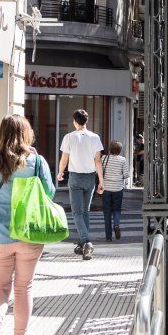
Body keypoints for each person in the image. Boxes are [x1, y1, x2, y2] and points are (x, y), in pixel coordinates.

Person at [0, 114, 55, 335]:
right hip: (29, 234)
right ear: (27, 134)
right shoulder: (37, 162)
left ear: (1, 134)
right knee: (23, 288)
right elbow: (50, 192)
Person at [58, 109, 105, 260]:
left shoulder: (69, 137)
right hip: (90, 178)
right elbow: (97, 161)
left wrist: (60, 173)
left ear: (74, 121)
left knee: (77, 212)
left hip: (75, 177)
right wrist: (101, 181)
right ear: (86, 121)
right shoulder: (95, 137)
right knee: (85, 211)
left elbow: (65, 158)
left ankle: (86, 242)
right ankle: (82, 245)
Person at [100, 141, 131, 241]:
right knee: (117, 209)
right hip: (118, 188)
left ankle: (108, 237)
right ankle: (116, 225)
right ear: (120, 150)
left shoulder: (104, 158)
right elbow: (126, 175)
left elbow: (99, 171)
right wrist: (118, 177)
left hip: (106, 188)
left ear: (110, 149)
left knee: (107, 212)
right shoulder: (123, 160)